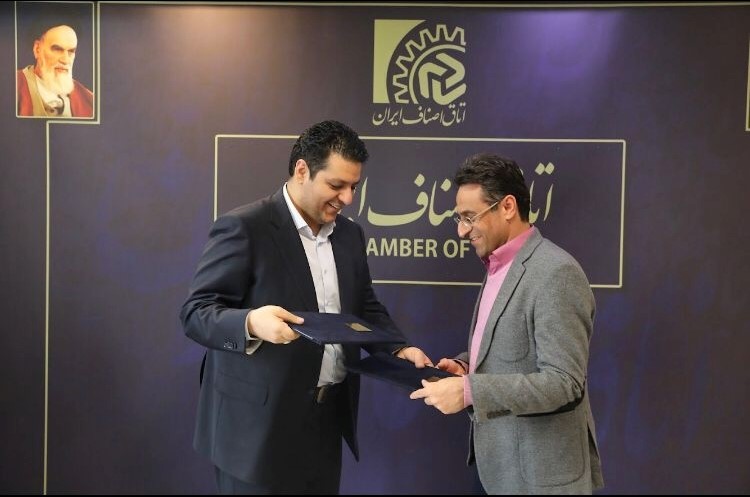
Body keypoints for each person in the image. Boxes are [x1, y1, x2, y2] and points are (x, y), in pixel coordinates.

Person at [180, 120, 431, 494]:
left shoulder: (350, 235)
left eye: (354, 187)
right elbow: (196, 312)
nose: (348, 198)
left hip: (325, 424)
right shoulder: (245, 227)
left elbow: (363, 305)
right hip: (254, 432)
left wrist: (397, 347)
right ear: (302, 170)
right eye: (336, 185)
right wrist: (252, 323)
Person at [409, 153, 604, 494]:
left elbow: (564, 383)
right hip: (500, 470)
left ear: (508, 206)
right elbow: (510, 350)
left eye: (469, 217)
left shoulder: (557, 273)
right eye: (458, 218)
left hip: (543, 481)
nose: (461, 230)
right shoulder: (498, 265)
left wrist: (470, 391)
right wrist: (464, 367)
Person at [17, 23, 93, 118]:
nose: (65, 60)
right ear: (37, 49)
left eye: (71, 51)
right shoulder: (12, 86)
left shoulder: (89, 100)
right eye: (57, 49)